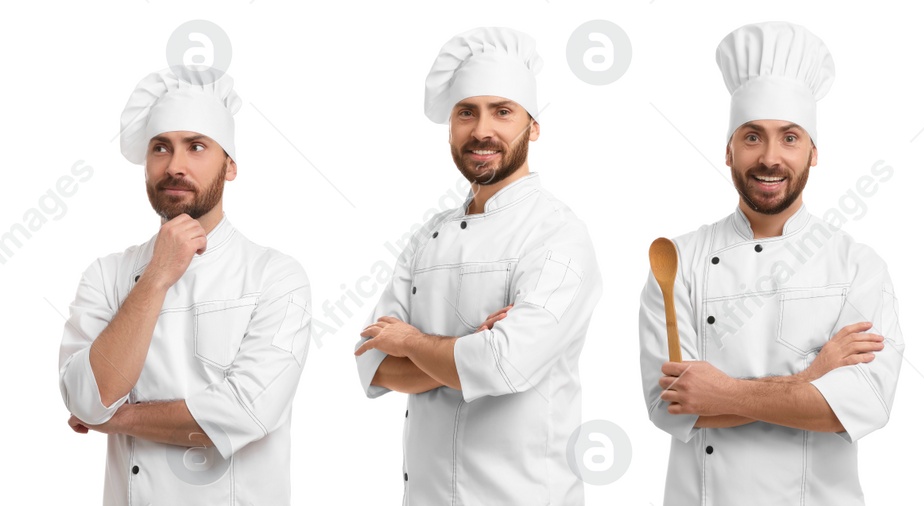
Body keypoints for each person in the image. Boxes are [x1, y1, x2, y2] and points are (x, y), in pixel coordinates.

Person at [638, 21, 904, 505]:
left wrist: (720, 394)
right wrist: (813, 377)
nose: (770, 158)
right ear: (728, 150)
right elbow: (671, 407)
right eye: (753, 137)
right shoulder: (677, 262)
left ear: (813, 153)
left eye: (790, 138)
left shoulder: (857, 267)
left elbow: (861, 405)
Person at [353, 27, 602, 505]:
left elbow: (506, 364)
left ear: (532, 127)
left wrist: (411, 342)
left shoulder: (558, 234)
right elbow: (373, 364)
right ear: (451, 126)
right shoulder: (428, 236)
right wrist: (473, 351)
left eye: (502, 112)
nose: (481, 130)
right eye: (466, 112)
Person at [59, 67, 313, 505]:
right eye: (161, 148)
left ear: (229, 166)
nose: (175, 166)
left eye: (197, 147)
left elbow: (245, 413)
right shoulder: (106, 275)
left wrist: (114, 419)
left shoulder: (277, 276)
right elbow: (86, 397)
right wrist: (157, 276)